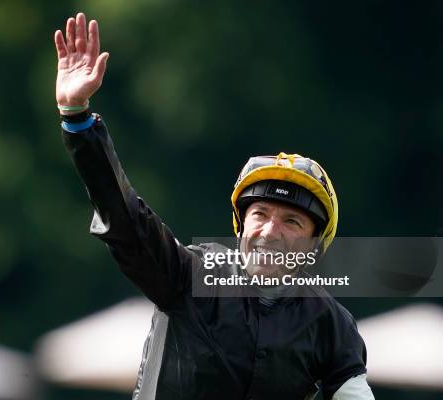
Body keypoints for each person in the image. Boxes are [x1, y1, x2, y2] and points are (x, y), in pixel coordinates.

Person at [54, 12, 375, 400]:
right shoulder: (188, 275)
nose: (270, 232)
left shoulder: (331, 324)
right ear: (241, 226)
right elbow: (124, 218)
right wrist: (77, 119)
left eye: (291, 221)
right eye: (260, 214)